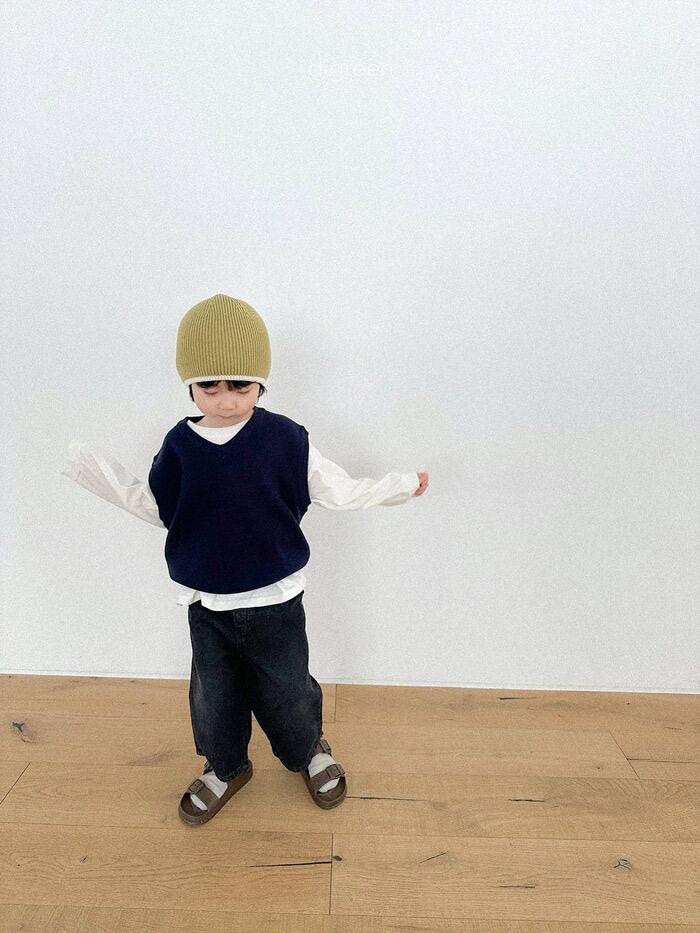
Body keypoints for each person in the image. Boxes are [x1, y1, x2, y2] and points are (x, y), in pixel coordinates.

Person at [61, 293, 429, 825]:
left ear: (261, 383)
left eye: (241, 386)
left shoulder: (286, 440)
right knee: (213, 695)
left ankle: (308, 751)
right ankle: (225, 765)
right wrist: (93, 471)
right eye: (209, 386)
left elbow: (338, 489)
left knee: (288, 687)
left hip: (276, 600)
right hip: (206, 604)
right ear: (189, 385)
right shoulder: (180, 446)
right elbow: (161, 509)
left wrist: (399, 486)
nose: (227, 401)